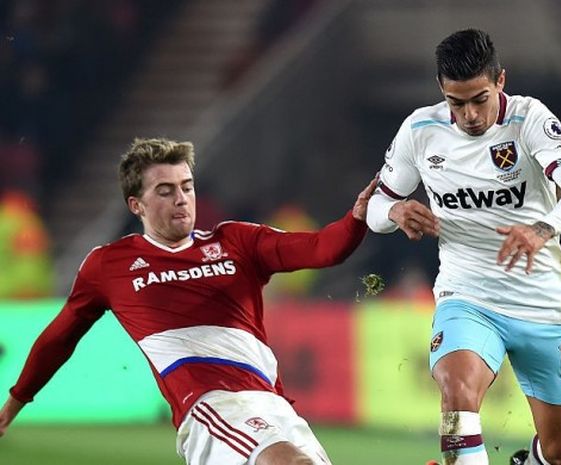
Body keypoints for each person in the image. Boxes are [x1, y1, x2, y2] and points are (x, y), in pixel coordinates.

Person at [0, 137, 376, 465]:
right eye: (165, 191)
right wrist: (15, 401)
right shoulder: (108, 265)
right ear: (136, 204)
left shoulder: (236, 242)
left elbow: (324, 249)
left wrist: (357, 217)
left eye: (187, 187)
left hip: (274, 406)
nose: (181, 199)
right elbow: (59, 338)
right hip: (210, 408)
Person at [366, 30, 561, 465]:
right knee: (457, 393)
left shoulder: (530, 120)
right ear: (442, 90)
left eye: (479, 99)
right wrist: (394, 213)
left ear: (500, 81)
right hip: (468, 295)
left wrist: (541, 230)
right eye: (457, 103)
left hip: (542, 302)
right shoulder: (419, 131)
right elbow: (376, 204)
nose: (470, 115)